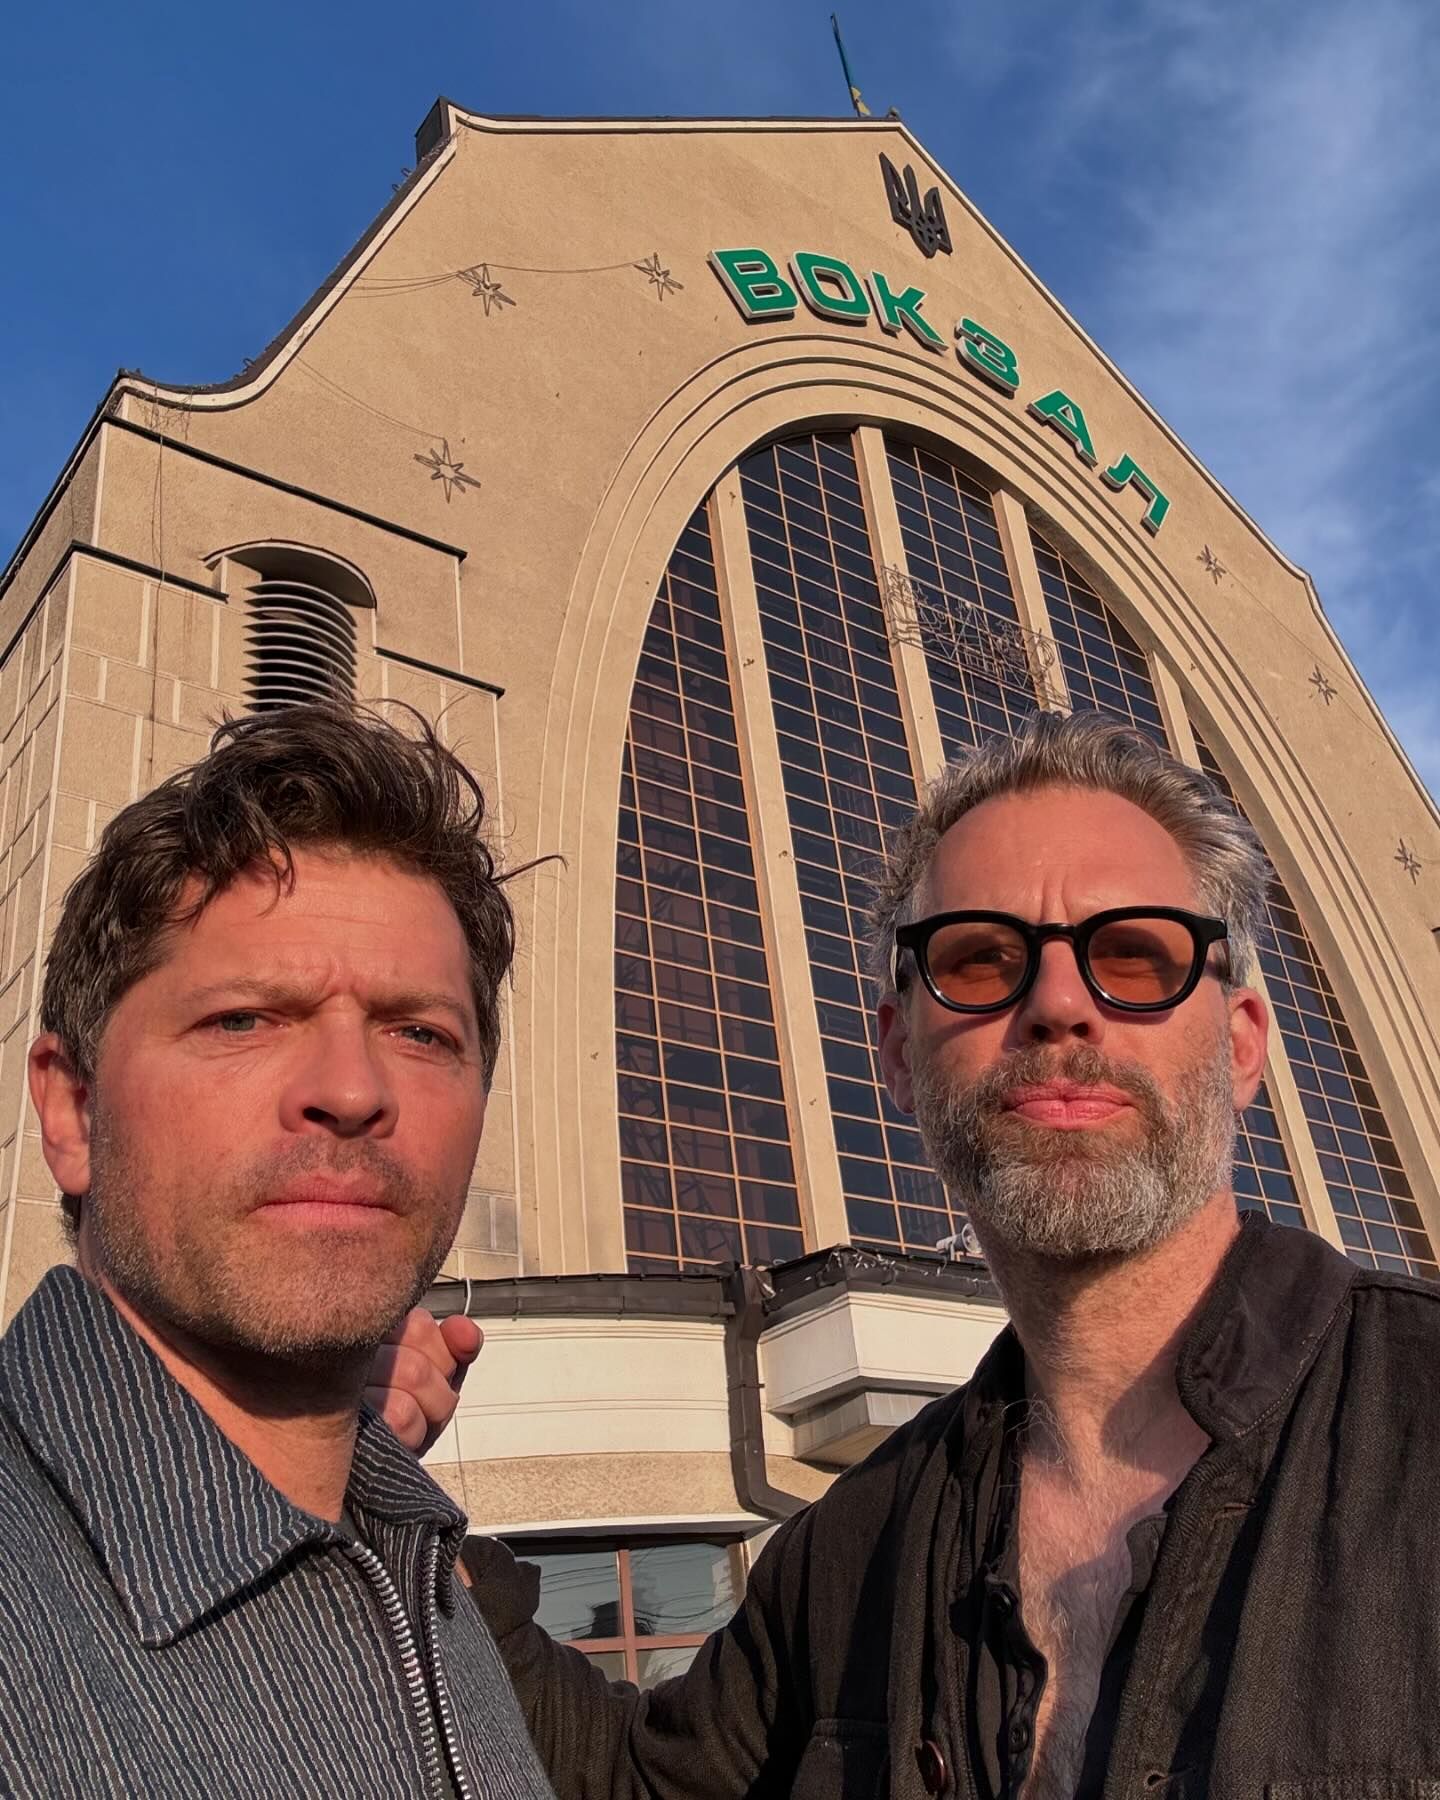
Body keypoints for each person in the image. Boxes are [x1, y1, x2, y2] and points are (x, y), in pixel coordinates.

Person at [420, 710, 1440, 1798]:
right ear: (899, 1056)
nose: (1058, 1006)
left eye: (1134, 956)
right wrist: (373, 1488)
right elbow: (634, 1782)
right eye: (981, 960)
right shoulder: (853, 1551)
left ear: (1239, 1046)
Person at [0, 704, 555, 1799]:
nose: (351, 1090)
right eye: (244, 1020)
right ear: (72, 1112)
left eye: (420, 1033)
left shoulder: (435, 1592)